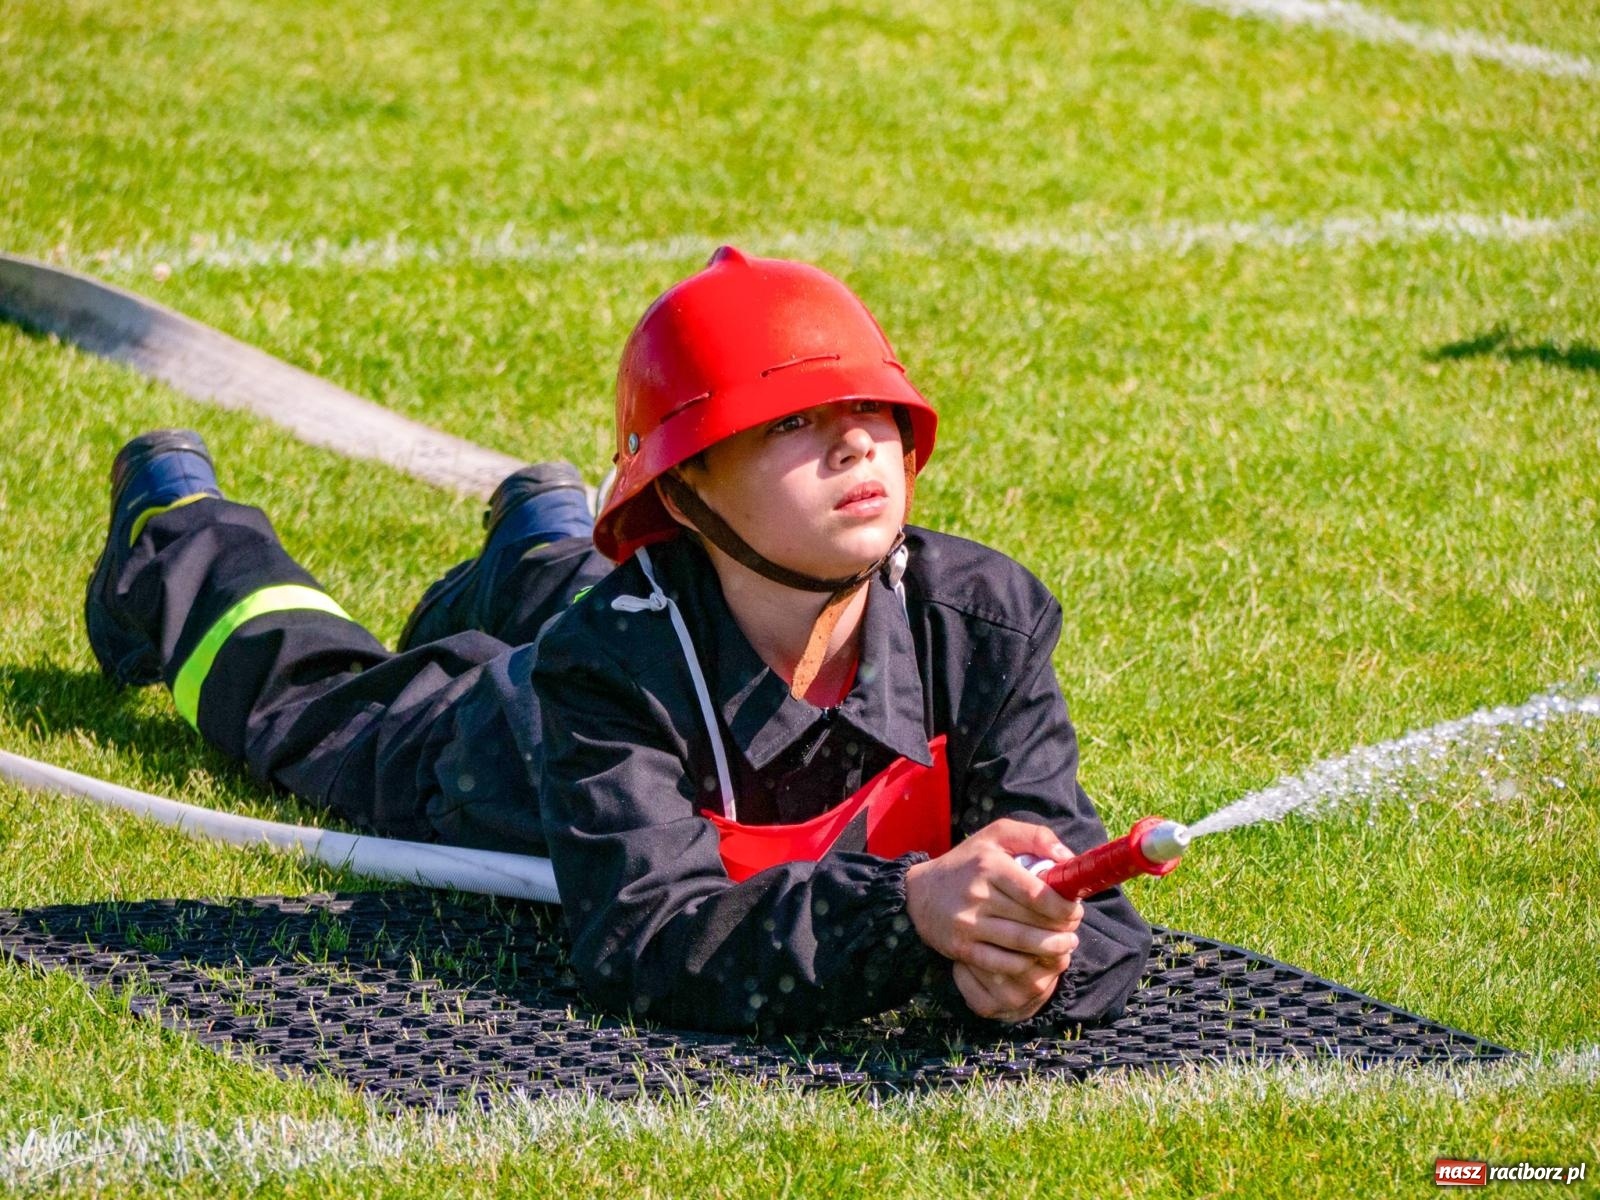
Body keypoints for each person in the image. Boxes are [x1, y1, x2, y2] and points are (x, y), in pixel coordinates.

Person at [84, 246, 1152, 1033]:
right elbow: (648, 938)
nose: (853, 443)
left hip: (660, 598)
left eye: (870, 407)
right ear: (683, 489)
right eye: (789, 422)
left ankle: (536, 541)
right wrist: (907, 915)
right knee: (300, 700)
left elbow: (1086, 899)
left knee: (622, 597)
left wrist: (1036, 964)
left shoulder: (982, 622)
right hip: (494, 746)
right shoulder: (605, 671)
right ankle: (177, 535)